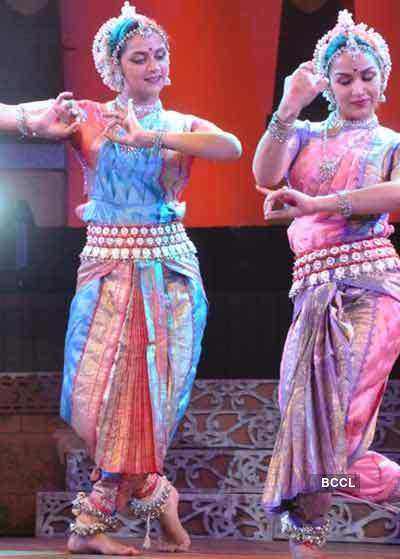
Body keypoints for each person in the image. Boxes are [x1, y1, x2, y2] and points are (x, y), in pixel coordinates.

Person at [2, 2, 241, 556]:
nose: (154, 65)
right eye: (140, 58)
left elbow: (230, 147)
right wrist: (31, 122)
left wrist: (150, 140)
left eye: (160, 55)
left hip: (168, 272)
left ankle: (94, 523)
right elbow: (10, 114)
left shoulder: (179, 126)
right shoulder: (86, 114)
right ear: (115, 68)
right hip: (108, 269)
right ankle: (156, 496)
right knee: (99, 399)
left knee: (152, 400)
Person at [253, 9, 400, 559]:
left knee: (338, 428)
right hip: (311, 296)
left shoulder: (390, 142)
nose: (357, 88)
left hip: (371, 290)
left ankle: (316, 523)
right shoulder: (305, 134)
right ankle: (310, 532)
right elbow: (265, 176)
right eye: (344, 79)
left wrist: (318, 204)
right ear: (328, 85)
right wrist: (289, 105)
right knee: (304, 424)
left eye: (367, 76)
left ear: (382, 79)